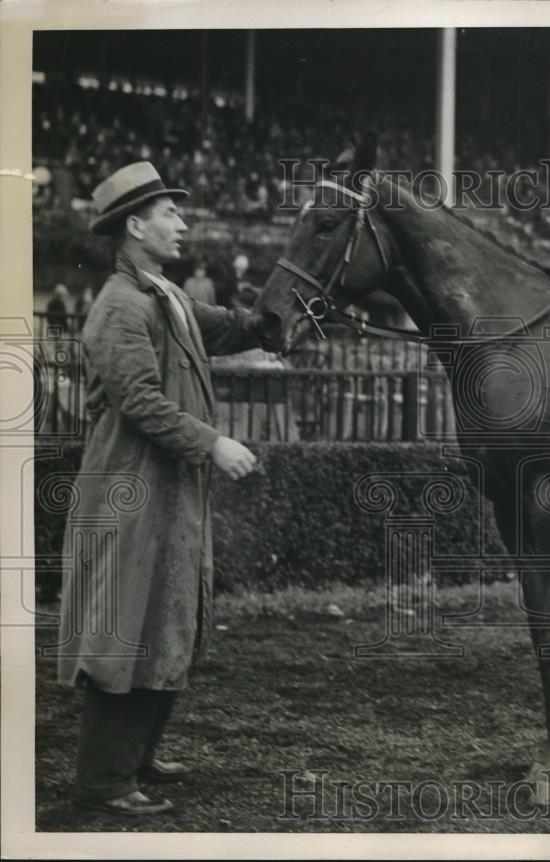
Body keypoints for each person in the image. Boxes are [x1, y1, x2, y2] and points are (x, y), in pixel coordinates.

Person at [55, 161, 263, 816]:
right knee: (126, 625)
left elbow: (226, 326)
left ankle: (138, 755)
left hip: (167, 489)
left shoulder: (163, 294)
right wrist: (214, 443)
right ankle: (105, 781)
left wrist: (283, 313)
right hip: (129, 490)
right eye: (170, 213)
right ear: (135, 225)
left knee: (169, 615)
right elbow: (139, 402)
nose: (181, 222)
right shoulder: (118, 306)